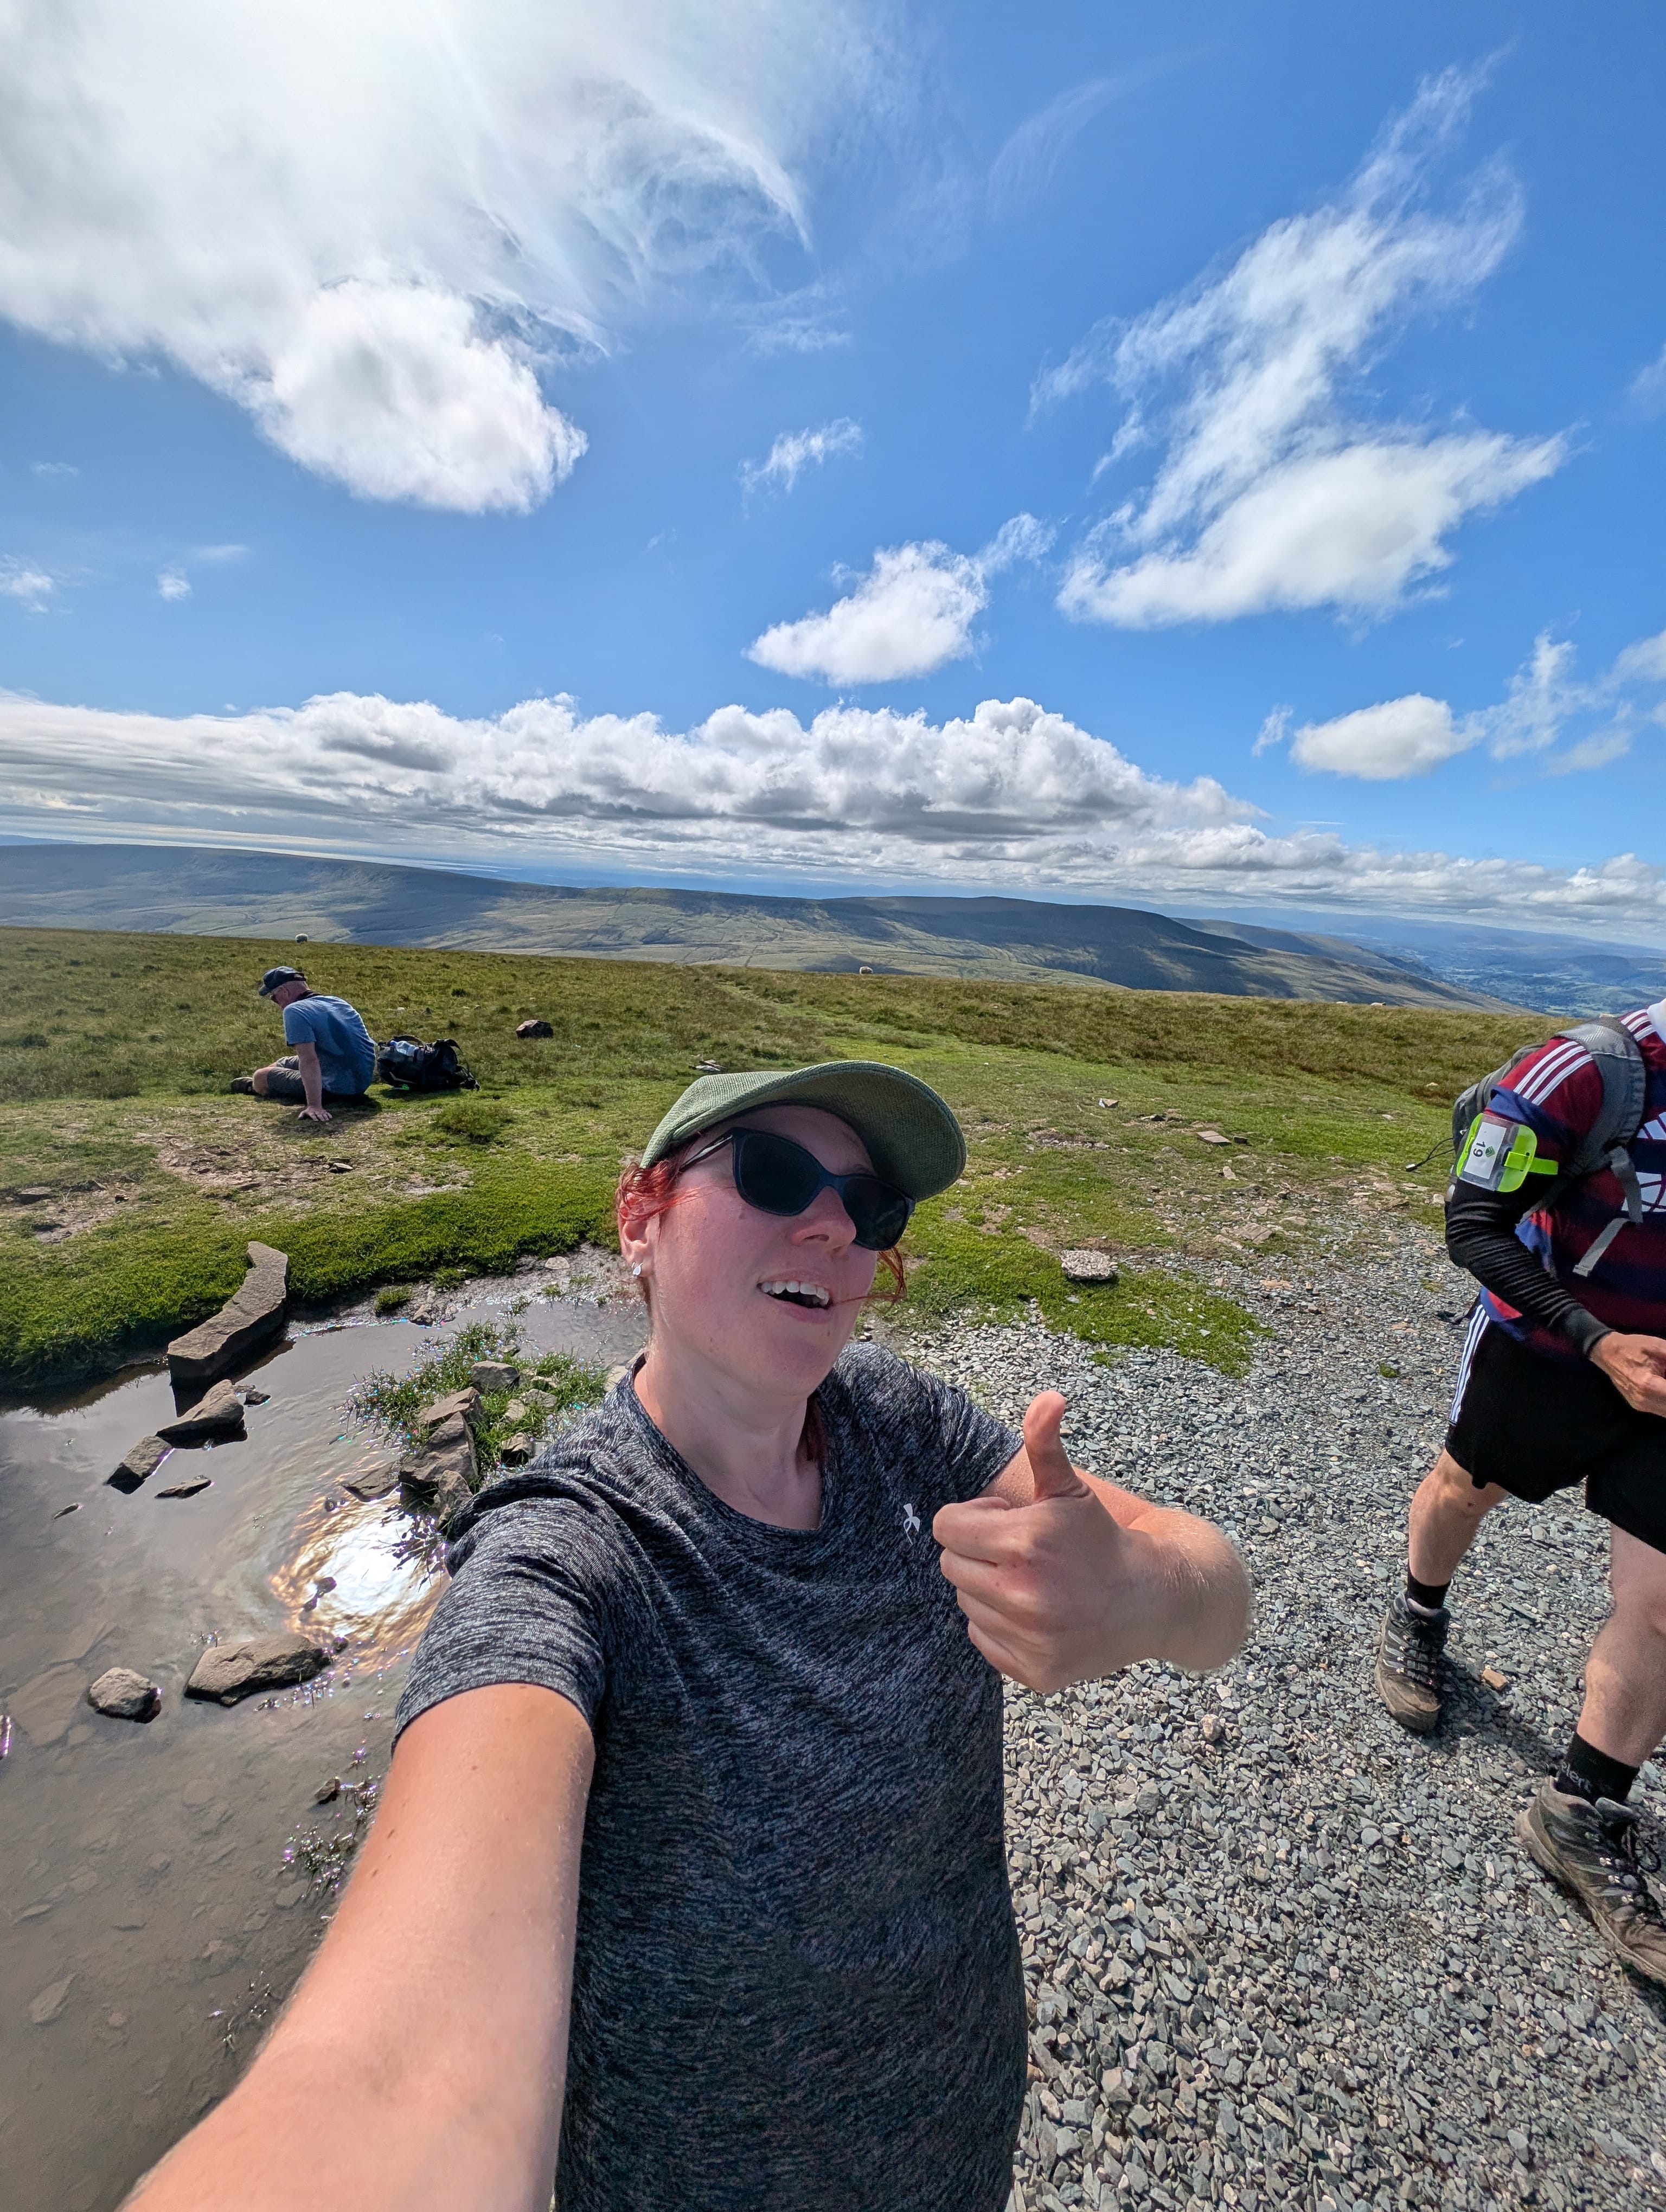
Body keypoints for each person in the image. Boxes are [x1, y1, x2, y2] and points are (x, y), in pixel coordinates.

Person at [123, 1060, 1250, 2212]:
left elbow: (1221, 1595)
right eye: (771, 1173)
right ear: (638, 1217)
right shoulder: (567, 1558)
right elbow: (404, 2077)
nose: (830, 1224)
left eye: (872, 1209)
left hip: (963, 2139)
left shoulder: (904, 1426)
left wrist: (1138, 1590)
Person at [1375, 1004, 1666, 1983]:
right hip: (1543, 1352)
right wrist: (1595, 1340)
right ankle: (1418, 1612)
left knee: (1663, 1604)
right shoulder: (1584, 1074)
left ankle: (1581, 1807)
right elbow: (1473, 1224)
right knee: (1463, 1491)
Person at [236, 965, 376, 1124]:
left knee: (260, 1076)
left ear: (284, 991)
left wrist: (315, 1106)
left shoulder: (294, 1010)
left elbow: (309, 1060)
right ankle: (267, 1082)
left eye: (274, 998)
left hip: (337, 1088)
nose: (277, 1003)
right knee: (283, 1062)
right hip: (360, 1081)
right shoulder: (337, 1002)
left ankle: (256, 1086)